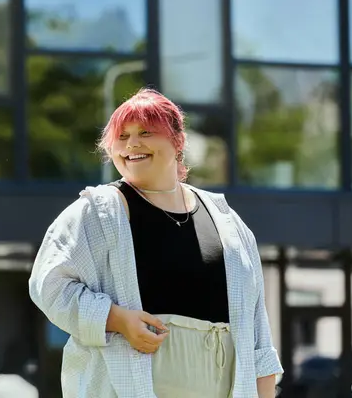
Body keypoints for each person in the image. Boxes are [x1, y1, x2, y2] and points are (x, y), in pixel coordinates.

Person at [28, 88, 283, 398]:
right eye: (122, 137)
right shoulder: (99, 212)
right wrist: (115, 319)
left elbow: (257, 339)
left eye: (146, 132)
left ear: (177, 142)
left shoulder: (228, 223)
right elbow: (48, 285)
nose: (132, 144)